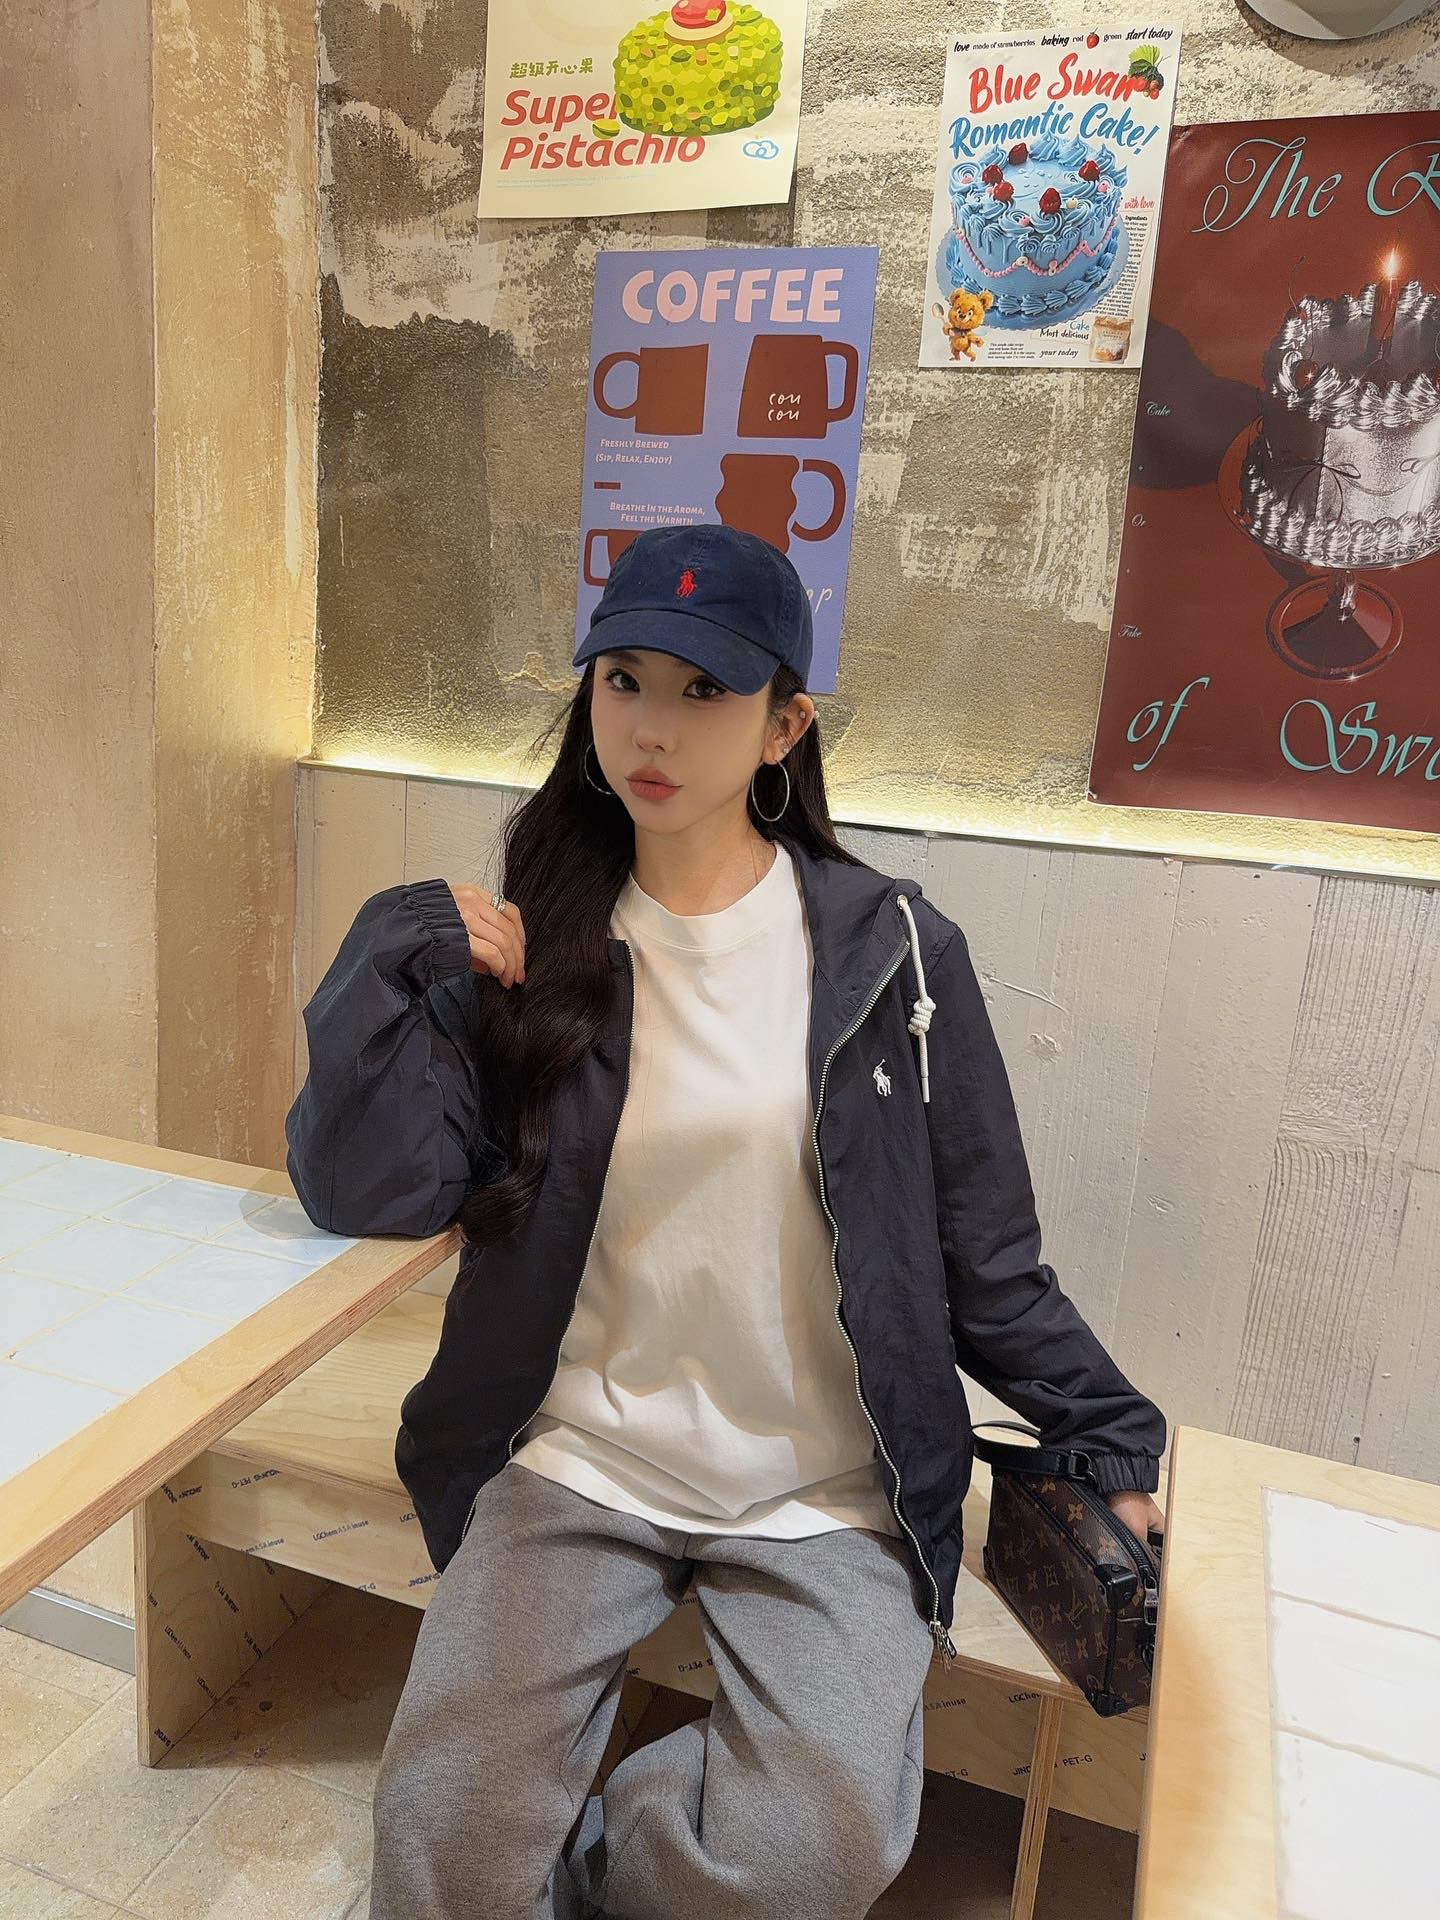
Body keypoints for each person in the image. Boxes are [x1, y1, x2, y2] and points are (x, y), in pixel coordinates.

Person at [284, 523, 1167, 1920]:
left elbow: (986, 1256)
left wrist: (1107, 1435)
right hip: (577, 1458)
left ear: (784, 726)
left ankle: (598, 1865)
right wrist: (385, 960)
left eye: (706, 690)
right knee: (439, 1833)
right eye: (625, 680)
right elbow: (363, 1189)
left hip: (825, 1490)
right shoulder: (532, 948)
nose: (654, 727)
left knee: (803, 1856)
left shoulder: (893, 955)